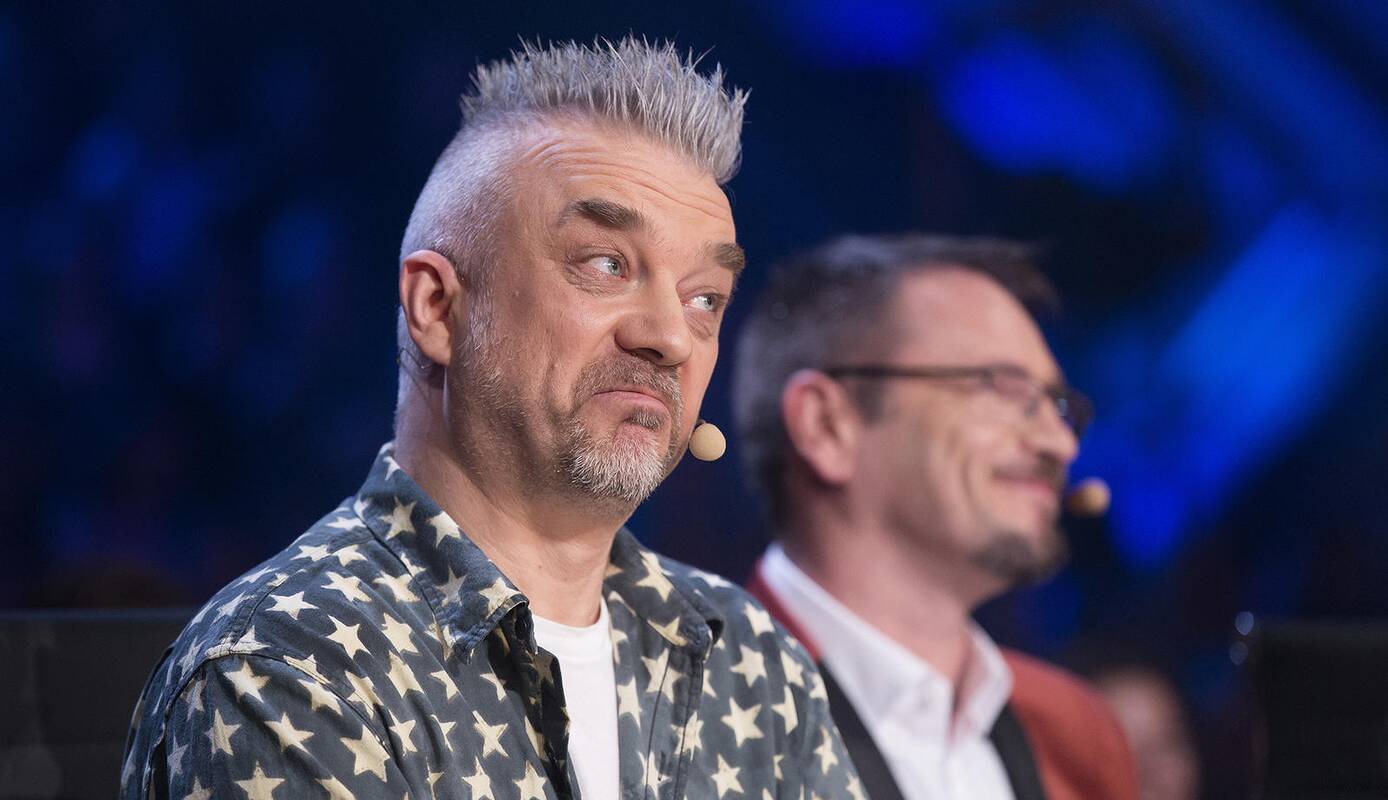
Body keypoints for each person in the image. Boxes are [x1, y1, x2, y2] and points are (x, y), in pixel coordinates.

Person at [120, 38, 858, 800]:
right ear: (437, 308)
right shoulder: (286, 671)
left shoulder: (752, 663)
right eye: (607, 264)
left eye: (705, 298)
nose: (670, 337)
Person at [734, 234, 1139, 800]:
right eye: (1003, 388)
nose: (1060, 445)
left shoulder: (1076, 733)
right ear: (826, 425)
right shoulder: (682, 711)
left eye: (1058, 406)